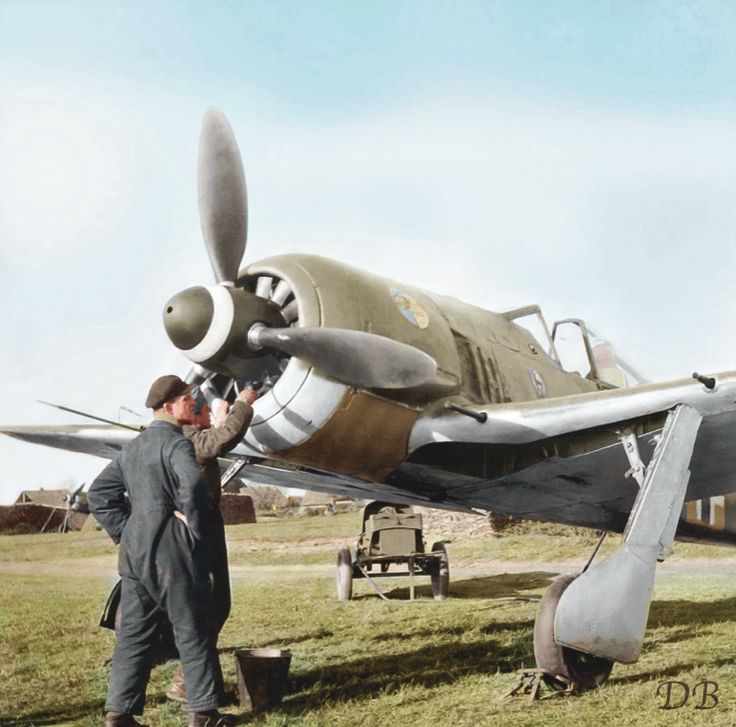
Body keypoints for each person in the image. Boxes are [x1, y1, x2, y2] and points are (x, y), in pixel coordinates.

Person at [88, 375, 232, 727]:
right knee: (193, 628)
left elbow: (98, 494)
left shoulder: (133, 448)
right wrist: (193, 532)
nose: (194, 404)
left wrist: (128, 531)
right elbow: (195, 488)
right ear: (168, 407)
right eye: (187, 399)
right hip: (173, 553)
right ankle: (204, 714)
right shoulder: (176, 444)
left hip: (134, 557)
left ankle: (119, 714)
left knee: (133, 636)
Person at [166, 386, 257, 704]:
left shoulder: (190, 436)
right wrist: (242, 407)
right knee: (212, 607)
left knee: (214, 607)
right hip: (199, 532)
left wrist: (222, 415)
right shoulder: (190, 439)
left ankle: (199, 685)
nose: (208, 415)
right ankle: (188, 684)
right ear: (194, 414)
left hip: (204, 529)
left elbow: (214, 436)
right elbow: (220, 440)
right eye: (205, 411)